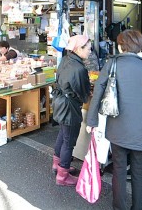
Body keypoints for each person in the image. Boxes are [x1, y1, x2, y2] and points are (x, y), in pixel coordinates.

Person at [86, 30, 142, 209]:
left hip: (118, 126)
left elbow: (98, 91)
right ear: (139, 46)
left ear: (120, 46)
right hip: (141, 127)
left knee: (119, 169)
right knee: (139, 171)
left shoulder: (112, 64)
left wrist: (91, 121)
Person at [52, 34, 92, 186]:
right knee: (69, 142)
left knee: (63, 135)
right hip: (69, 107)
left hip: (60, 102)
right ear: (79, 49)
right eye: (88, 49)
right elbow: (83, 93)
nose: (90, 51)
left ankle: (57, 164)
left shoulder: (66, 59)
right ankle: (62, 176)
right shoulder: (79, 68)